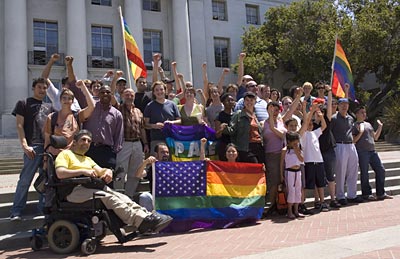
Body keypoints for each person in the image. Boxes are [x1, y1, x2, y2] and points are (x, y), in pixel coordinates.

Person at [55, 130, 172, 233]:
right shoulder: (65, 154)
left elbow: (100, 170)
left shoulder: (87, 159)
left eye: (89, 141)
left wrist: (107, 172)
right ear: (74, 142)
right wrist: (83, 171)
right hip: (72, 190)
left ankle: (146, 216)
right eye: (83, 140)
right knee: (109, 197)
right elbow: (60, 173)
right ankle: (140, 222)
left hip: (90, 188)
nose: (86, 143)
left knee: (121, 196)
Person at [10, 78, 53, 220]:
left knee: (45, 181)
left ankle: (42, 210)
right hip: (32, 147)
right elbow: (19, 125)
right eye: (39, 87)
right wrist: (24, 145)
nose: (42, 90)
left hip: (46, 147)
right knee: (25, 180)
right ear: (33, 88)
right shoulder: (23, 103)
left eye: (44, 88)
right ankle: (16, 211)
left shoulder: (49, 107)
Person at [112, 87, 150, 198]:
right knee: (120, 170)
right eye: (127, 95)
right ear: (122, 96)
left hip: (137, 143)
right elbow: (111, 95)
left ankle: (129, 196)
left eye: (131, 95)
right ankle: (118, 195)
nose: (129, 97)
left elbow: (142, 128)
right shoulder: (118, 108)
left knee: (135, 172)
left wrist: (145, 143)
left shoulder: (138, 111)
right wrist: (115, 78)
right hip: (124, 143)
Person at [43, 80, 95, 157]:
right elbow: (47, 141)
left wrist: (83, 87)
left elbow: (92, 107)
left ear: (72, 101)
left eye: (69, 98)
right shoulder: (52, 117)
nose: (66, 100)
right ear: (60, 100)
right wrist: (45, 159)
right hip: (56, 156)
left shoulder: (77, 116)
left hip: (73, 156)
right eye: (64, 98)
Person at [353, 106, 393, 201]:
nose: (364, 114)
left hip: (372, 151)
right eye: (361, 112)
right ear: (357, 114)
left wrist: (380, 127)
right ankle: (366, 194)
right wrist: (361, 132)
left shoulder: (368, 124)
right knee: (365, 173)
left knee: (381, 170)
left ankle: (381, 193)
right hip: (362, 152)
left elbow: (375, 137)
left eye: (365, 112)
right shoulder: (354, 125)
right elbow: (354, 140)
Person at [331, 94, 363, 205]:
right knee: (340, 172)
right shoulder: (334, 118)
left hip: (351, 145)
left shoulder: (351, 118)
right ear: (338, 106)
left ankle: (352, 194)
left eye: (346, 104)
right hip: (340, 145)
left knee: (353, 170)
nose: (344, 106)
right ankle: (340, 196)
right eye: (342, 104)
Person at [83, 85, 124, 170]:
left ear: (112, 95)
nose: (105, 94)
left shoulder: (117, 114)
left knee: (107, 180)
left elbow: (118, 135)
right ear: (98, 95)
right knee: (89, 180)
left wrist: (113, 152)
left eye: (108, 92)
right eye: (102, 92)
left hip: (107, 152)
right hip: (89, 149)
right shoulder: (91, 108)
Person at [300, 102, 329, 212]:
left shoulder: (315, 133)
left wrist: (321, 117)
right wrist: (311, 111)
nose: (310, 125)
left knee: (320, 183)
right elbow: (306, 121)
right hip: (309, 162)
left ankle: (322, 202)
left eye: (312, 124)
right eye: (308, 124)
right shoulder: (303, 134)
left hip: (319, 161)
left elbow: (324, 126)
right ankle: (302, 203)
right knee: (308, 184)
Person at [222, 92, 264, 163]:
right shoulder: (239, 114)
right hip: (246, 147)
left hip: (259, 146)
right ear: (244, 102)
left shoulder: (255, 115)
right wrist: (224, 127)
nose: (249, 102)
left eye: (251, 100)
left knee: (260, 169)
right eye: (247, 100)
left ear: (255, 102)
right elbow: (232, 130)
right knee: (254, 165)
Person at [144, 81, 181, 152]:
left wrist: (171, 122)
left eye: (161, 89)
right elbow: (145, 125)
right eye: (156, 90)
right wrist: (154, 126)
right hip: (156, 139)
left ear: (165, 91)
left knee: (171, 162)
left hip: (172, 139)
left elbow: (180, 121)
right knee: (157, 162)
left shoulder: (172, 105)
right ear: (154, 92)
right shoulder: (149, 106)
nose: (159, 92)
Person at [280, 131, 304, 219]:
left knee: (298, 190)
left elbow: (301, 160)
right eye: (294, 142)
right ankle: (289, 210)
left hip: (298, 171)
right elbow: (282, 163)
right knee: (291, 191)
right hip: (289, 172)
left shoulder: (299, 149)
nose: (296, 144)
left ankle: (296, 210)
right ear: (289, 141)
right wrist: (281, 175)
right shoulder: (285, 150)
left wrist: (297, 151)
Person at [215, 93, 235, 161]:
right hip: (224, 145)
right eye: (228, 100)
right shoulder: (220, 116)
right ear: (223, 102)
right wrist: (221, 129)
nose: (230, 102)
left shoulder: (237, 115)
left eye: (232, 100)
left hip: (235, 145)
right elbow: (217, 135)